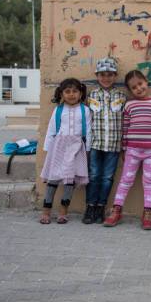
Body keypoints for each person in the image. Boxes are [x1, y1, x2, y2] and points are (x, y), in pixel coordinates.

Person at [104, 70, 151, 230]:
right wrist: (124, 148)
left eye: (140, 84)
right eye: (134, 87)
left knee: (149, 182)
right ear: (130, 90)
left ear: (146, 82)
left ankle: (148, 213)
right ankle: (116, 210)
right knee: (125, 180)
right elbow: (125, 128)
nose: (138, 88)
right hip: (132, 150)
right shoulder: (129, 105)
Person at [39, 78, 91, 225]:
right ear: (61, 94)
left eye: (75, 91)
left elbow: (89, 131)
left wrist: (87, 150)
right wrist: (48, 150)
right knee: (53, 180)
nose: (71, 94)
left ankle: (63, 212)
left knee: (69, 181)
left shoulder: (85, 110)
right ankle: (46, 211)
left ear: (81, 93)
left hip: (76, 148)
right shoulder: (58, 110)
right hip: (59, 148)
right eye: (67, 91)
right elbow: (51, 130)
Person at [82, 58, 127, 225]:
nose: (106, 78)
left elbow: (125, 120)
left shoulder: (121, 96)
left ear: (115, 76)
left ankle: (101, 207)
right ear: (97, 76)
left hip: (114, 145)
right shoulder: (91, 95)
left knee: (107, 177)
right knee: (93, 176)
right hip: (96, 144)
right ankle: (90, 206)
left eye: (109, 75)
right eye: (102, 75)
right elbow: (87, 120)